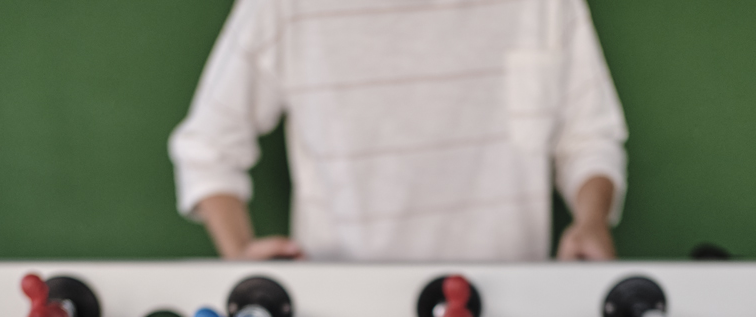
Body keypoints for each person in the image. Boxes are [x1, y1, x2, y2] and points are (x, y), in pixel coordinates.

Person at [169, 0, 627, 262]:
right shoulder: (287, 7)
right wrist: (242, 259)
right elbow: (207, 147)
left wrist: (591, 220)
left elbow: (590, 136)